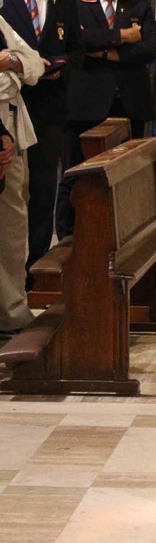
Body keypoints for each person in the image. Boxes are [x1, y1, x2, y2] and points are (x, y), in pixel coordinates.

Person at [57, 0, 156, 238]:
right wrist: (122, 37)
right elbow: (76, 41)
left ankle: (122, 235)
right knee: (76, 174)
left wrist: (105, 51)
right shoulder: (74, 3)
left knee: (127, 174)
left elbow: (151, 48)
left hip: (128, 104)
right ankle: (68, 236)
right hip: (85, 105)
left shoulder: (138, 5)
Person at [0, 0, 81, 279]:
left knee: (44, 185)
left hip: (48, 103)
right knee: (13, 189)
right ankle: (10, 269)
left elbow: (76, 48)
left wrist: (63, 67)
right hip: (11, 102)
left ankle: (34, 263)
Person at [0, 17, 45, 337]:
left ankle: (12, 308)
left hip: (12, 124)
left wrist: (11, 62)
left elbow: (33, 64)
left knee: (13, 225)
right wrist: (13, 76)